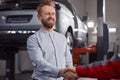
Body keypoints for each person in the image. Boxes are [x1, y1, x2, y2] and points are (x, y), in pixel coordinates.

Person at [27, 0, 75, 80]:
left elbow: (68, 60)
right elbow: (39, 63)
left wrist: (69, 74)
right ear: (39, 17)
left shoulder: (62, 38)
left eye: (53, 14)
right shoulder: (33, 39)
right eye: (47, 14)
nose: (51, 16)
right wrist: (59, 72)